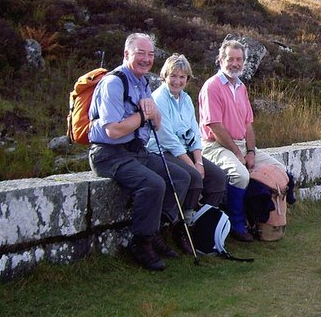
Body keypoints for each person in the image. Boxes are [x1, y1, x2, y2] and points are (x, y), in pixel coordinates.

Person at [87, 33, 195, 270]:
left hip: (137, 151)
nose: (146, 59)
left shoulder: (143, 82)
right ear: (127, 54)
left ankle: (155, 230)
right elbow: (114, 131)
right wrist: (143, 115)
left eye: (151, 54)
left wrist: (152, 114)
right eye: (141, 53)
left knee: (181, 177)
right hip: (109, 154)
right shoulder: (114, 83)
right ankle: (141, 243)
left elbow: (156, 125)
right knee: (154, 184)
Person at [199, 38, 287, 242]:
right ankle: (237, 224)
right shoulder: (211, 86)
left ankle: (262, 220)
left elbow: (248, 124)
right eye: (230, 59)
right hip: (215, 145)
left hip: (240, 144)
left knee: (279, 171)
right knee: (240, 175)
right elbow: (215, 126)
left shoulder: (241, 87)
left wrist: (250, 152)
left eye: (239, 60)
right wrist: (239, 155)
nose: (235, 64)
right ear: (221, 60)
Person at [148, 53, 227, 213]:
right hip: (162, 151)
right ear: (165, 76)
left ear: (187, 79)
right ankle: (182, 223)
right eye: (173, 76)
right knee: (193, 176)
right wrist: (192, 166)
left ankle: (205, 219)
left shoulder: (186, 99)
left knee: (219, 177)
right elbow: (167, 138)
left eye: (182, 77)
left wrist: (199, 162)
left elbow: (194, 133)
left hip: (185, 150)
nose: (177, 81)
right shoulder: (159, 98)